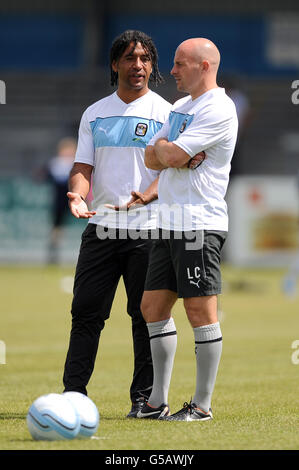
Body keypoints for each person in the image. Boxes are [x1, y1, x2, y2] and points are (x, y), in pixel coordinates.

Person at [62, 30, 172, 418]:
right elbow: (82, 167)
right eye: (129, 58)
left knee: (145, 318)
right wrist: (77, 194)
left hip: (149, 230)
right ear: (115, 64)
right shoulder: (95, 113)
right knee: (86, 313)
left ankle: (143, 400)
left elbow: (173, 170)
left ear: (152, 65)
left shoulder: (166, 113)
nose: (138, 65)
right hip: (102, 228)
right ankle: (73, 396)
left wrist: (150, 193)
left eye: (144, 58)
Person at [136, 38, 238, 421]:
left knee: (199, 309)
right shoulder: (180, 107)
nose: (173, 71)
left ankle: (201, 405)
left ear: (205, 66)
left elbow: (170, 155)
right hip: (168, 221)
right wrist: (169, 149)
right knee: (152, 306)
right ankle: (156, 401)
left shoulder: (219, 107)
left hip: (199, 223)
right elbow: (152, 156)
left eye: (180, 64)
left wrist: (169, 150)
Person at [43, 137, 77, 264]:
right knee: (57, 228)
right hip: (60, 202)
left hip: (78, 200)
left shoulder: (77, 163)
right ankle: (53, 254)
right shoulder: (56, 163)